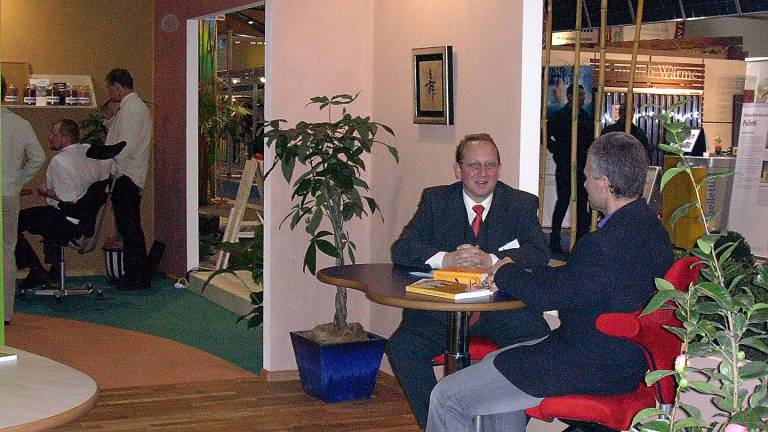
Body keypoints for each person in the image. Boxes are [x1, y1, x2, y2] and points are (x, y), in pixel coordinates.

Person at [426, 132, 674, 432]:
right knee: (495, 361)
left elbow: (549, 296)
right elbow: (573, 281)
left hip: (587, 365)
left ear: (605, 183)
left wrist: (503, 271)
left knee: (446, 396)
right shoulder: (654, 233)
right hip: (628, 362)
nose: (585, 184)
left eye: (587, 177)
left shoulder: (603, 244)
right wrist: (515, 271)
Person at [388, 133, 551, 428]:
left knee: (539, 348)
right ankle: (438, 425)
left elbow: (539, 253)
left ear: (499, 168)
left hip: (504, 314)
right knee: (402, 348)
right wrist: (446, 259)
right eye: (474, 165)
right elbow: (403, 249)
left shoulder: (520, 204)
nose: (482, 173)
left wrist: (493, 260)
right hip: (441, 315)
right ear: (458, 169)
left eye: (490, 165)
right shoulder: (436, 200)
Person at [15, 119, 112, 289]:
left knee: (10, 222)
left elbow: (68, 198)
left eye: (54, 134)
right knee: (43, 214)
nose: (49, 136)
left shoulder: (60, 161)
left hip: (66, 219)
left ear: (66, 139)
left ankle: (36, 270)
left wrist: (46, 191)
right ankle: (54, 269)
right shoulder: (88, 152)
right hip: (83, 220)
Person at [2, 75, 46, 324]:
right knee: (7, 252)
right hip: (8, 193)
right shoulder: (20, 124)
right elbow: (38, 157)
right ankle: (5, 312)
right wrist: (18, 180)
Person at [102, 68, 151, 290]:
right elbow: (122, 134)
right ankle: (135, 275)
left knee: (129, 227)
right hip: (129, 173)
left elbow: (125, 145)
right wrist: (109, 120)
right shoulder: (132, 107)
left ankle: (136, 276)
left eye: (110, 88)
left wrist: (115, 170)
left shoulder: (131, 108)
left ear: (117, 87)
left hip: (126, 175)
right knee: (130, 227)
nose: (109, 93)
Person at [547, 84, 593, 254]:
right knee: (563, 201)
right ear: (570, 96)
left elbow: (591, 141)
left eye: (583, 95)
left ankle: (581, 241)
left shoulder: (586, 118)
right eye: (579, 95)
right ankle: (554, 239)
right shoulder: (560, 116)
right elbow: (546, 135)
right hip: (565, 166)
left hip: (582, 167)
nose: (582, 98)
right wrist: (557, 151)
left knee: (582, 203)